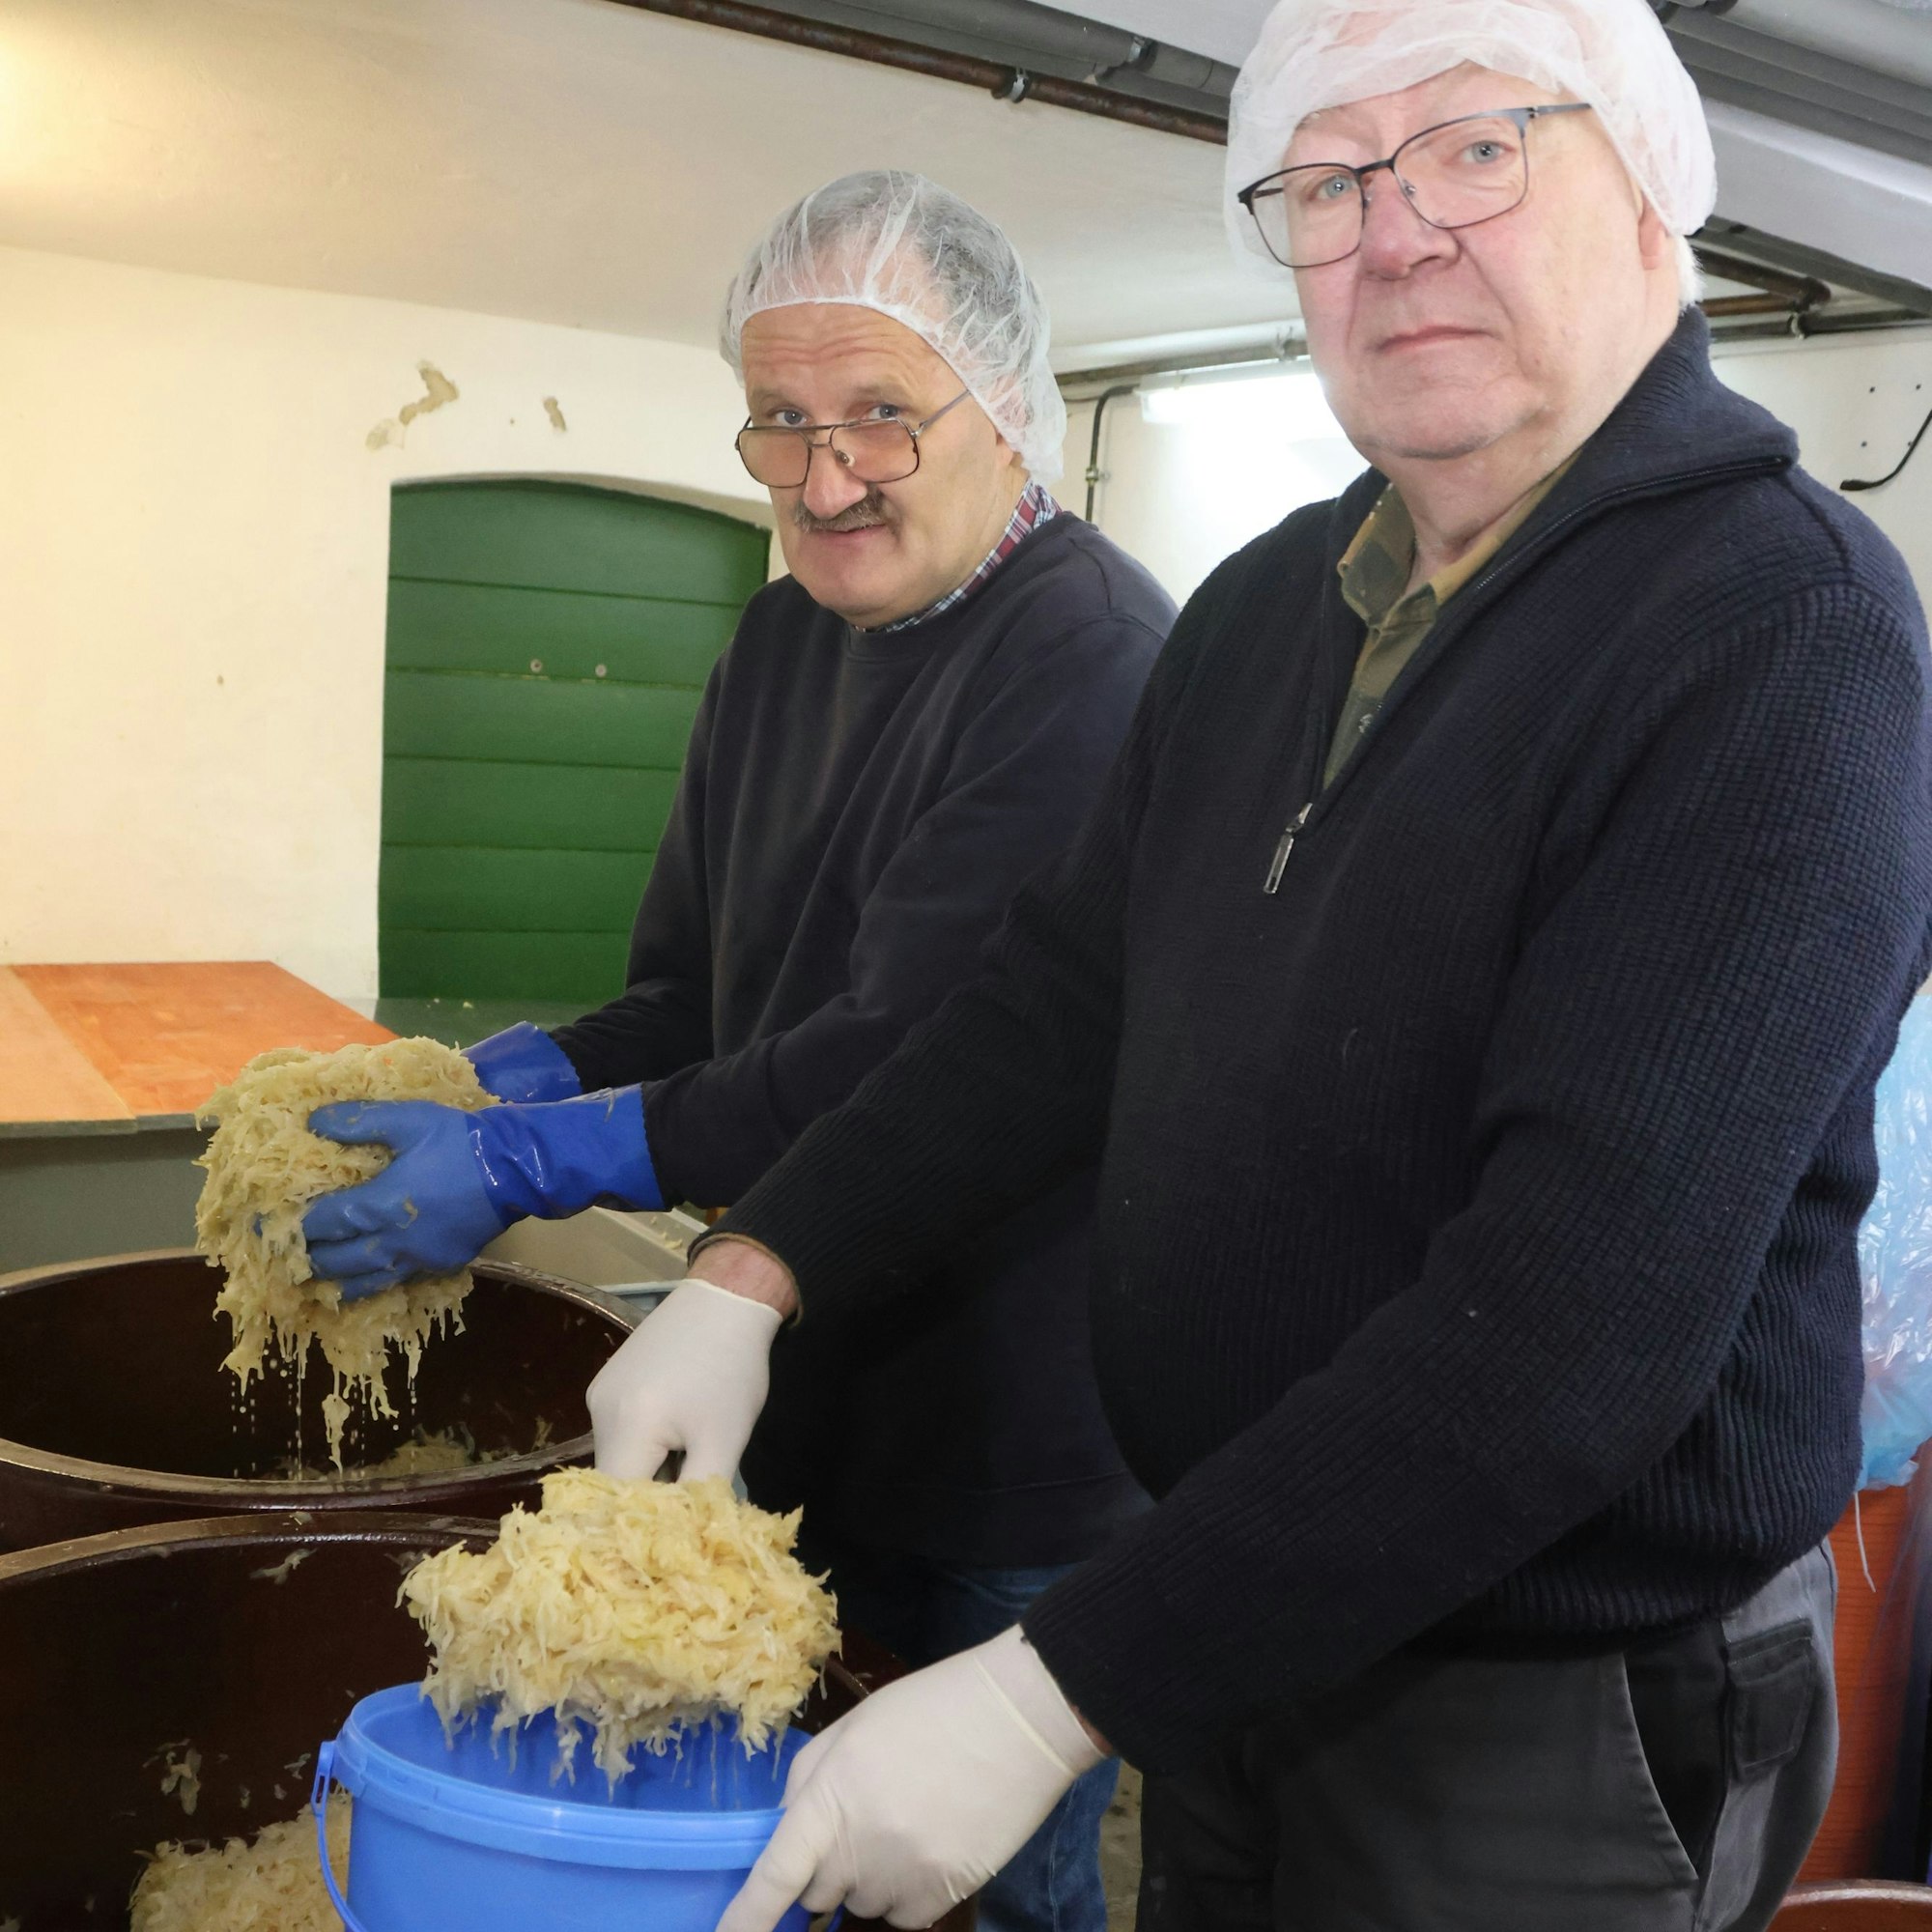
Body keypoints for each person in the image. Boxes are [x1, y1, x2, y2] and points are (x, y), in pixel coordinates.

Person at [587, 6, 1932, 1930]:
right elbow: (1050, 1011)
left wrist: (1055, 1690)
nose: (1392, 236)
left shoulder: (1777, 636)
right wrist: (757, 1262)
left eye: (1475, 150)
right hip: (1236, 1608)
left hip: (1537, 1697)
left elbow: (1570, 1331)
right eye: (1323, 186)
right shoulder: (1268, 608)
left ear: (1650, 198)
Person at [298, 171, 1174, 1932]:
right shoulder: (781, 636)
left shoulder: (1086, 662)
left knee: (970, 1879)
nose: (822, 475)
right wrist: (505, 1083)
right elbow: (701, 995)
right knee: (760, 1844)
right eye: (779, 421)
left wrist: (546, 1169)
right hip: (774, 1366)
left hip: (999, 1423)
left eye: (877, 417)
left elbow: (902, 1056)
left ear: (1003, 411)